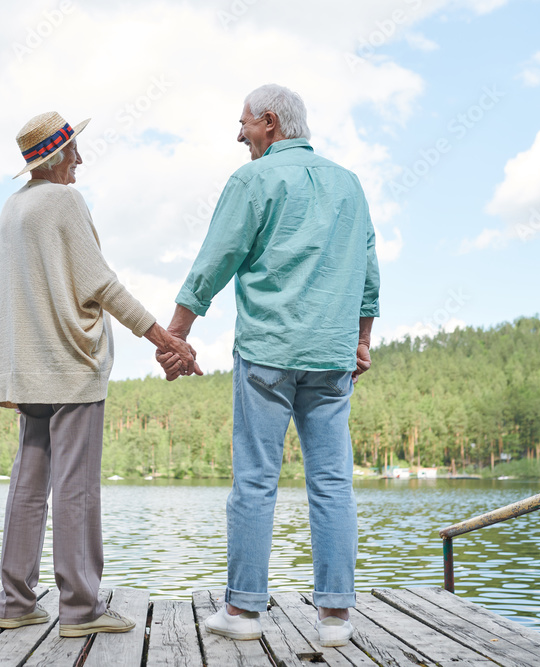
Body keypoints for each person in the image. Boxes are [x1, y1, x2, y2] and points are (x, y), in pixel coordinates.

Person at [157, 84, 379, 647]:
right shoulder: (348, 184)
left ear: (271, 123)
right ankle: (335, 619)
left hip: (267, 354)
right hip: (331, 356)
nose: (239, 135)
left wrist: (176, 332)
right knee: (332, 483)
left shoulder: (253, 181)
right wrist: (362, 339)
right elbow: (369, 271)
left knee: (255, 481)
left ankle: (244, 613)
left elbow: (216, 258)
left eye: (244, 124)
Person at [0, 111, 198, 637]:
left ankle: (15, 603)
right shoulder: (63, 202)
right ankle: (81, 610)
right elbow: (102, 284)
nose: (80, 159)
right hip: (71, 368)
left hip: (27, 370)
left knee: (27, 485)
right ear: (57, 157)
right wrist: (164, 338)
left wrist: (7, 376)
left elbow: (1, 299)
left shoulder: (10, 212)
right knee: (76, 489)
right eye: (75, 150)